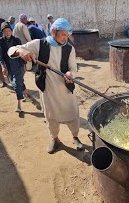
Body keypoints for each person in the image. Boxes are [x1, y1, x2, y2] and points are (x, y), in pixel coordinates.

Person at [8, 18, 84, 153]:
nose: (65, 38)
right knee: (51, 116)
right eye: (63, 34)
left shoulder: (69, 49)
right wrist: (21, 52)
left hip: (65, 90)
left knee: (72, 114)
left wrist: (70, 74)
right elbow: (11, 49)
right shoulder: (40, 44)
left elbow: (73, 69)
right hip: (47, 90)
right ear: (54, 31)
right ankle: (55, 140)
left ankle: (75, 137)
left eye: (67, 35)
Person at [0, 22, 30, 112]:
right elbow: (0, 55)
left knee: (16, 84)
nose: (7, 33)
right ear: (3, 32)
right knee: (17, 82)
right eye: (5, 31)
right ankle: (26, 94)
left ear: (11, 31)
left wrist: (24, 65)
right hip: (9, 66)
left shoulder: (16, 40)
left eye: (9, 31)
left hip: (18, 64)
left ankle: (19, 105)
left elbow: (22, 52)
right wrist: (3, 66)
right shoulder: (1, 41)